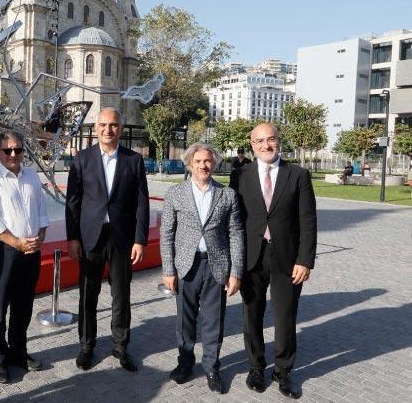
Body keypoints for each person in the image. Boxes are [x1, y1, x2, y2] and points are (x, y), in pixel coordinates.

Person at [231, 123, 316, 399]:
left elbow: (308, 222)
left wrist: (305, 260)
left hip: (288, 260)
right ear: (252, 144)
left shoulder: (299, 175)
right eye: (260, 141)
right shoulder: (240, 175)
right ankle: (255, 367)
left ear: (279, 141)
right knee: (252, 316)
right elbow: (234, 221)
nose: (266, 145)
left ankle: (283, 370)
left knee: (285, 317)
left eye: (271, 140)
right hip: (251, 258)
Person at [65, 107, 149, 372]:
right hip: (90, 237)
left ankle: (120, 347)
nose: (108, 130)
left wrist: (140, 239)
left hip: (122, 238)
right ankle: (86, 346)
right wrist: (73, 238)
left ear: (120, 129)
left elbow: (142, 204)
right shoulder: (82, 159)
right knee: (88, 295)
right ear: (96, 128)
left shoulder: (133, 160)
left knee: (121, 295)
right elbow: (73, 202)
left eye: (113, 125)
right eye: (103, 125)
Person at [160, 143, 245, 394]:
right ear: (190, 164)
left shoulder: (227, 194)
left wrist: (235, 272)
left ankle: (211, 367)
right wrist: (168, 270)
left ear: (214, 164)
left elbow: (236, 234)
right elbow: (167, 233)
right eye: (197, 162)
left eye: (207, 161)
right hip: (186, 266)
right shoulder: (175, 193)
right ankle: (185, 363)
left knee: (213, 321)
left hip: (216, 266)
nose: (203, 166)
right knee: (185, 321)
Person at [0, 130, 49, 384]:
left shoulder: (32, 177)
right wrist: (16, 242)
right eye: (8, 150)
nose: (13, 154)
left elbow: (41, 211)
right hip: (2, 251)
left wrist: (40, 237)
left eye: (17, 149)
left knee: (23, 305)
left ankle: (18, 352)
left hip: (31, 250)